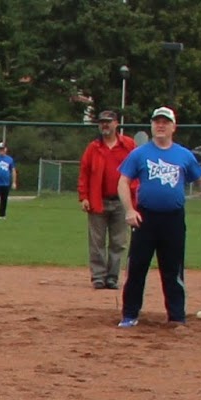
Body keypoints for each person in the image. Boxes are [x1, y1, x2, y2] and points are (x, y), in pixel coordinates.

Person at [115, 107, 201, 328]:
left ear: (173, 127)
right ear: (151, 125)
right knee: (137, 268)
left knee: (173, 270)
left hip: (173, 219)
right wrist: (129, 209)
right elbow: (123, 181)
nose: (160, 125)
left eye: (165, 122)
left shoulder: (183, 155)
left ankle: (176, 316)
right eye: (157, 121)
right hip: (145, 218)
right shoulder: (139, 153)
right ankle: (130, 315)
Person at [77, 110, 136, 290]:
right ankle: (98, 277)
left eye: (108, 122)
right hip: (98, 200)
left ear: (116, 123)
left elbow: (137, 171)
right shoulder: (93, 147)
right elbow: (84, 173)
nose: (105, 125)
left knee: (119, 242)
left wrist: (134, 199)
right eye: (102, 122)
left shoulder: (128, 145)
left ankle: (112, 277)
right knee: (97, 241)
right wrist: (84, 197)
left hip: (121, 201)